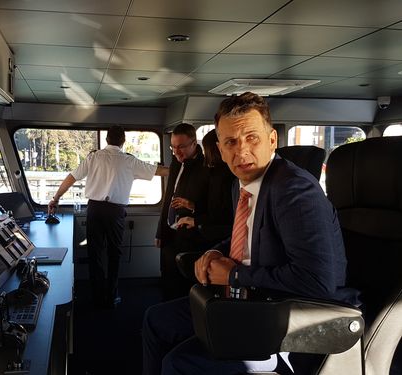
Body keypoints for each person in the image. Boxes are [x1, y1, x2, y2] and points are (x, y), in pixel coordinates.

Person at [142, 92, 356, 374]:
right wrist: (215, 251)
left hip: (289, 316)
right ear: (219, 148)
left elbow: (317, 283)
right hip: (249, 300)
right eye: (230, 142)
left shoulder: (295, 191)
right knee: (156, 320)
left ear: (271, 141)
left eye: (251, 138)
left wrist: (233, 275)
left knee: (179, 363)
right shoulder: (241, 183)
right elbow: (245, 234)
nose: (241, 151)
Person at [48, 125, 168, 309]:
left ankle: (97, 296)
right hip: (115, 212)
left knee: (94, 253)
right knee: (114, 254)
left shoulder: (93, 157)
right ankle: (111, 297)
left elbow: (71, 178)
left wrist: (55, 199)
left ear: (106, 140)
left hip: (94, 209)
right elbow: (159, 171)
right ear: (123, 141)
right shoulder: (129, 161)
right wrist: (183, 166)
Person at [155, 123, 209, 300]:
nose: (176, 152)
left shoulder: (206, 167)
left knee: (182, 289)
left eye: (181, 147)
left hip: (191, 238)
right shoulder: (176, 163)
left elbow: (215, 208)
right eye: (173, 147)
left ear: (194, 143)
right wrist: (160, 232)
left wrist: (193, 205)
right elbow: (167, 198)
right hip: (170, 234)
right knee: (167, 282)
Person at [176, 129, 235, 249]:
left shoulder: (222, 175)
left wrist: (195, 221)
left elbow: (223, 214)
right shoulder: (220, 172)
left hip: (216, 236)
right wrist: (193, 206)